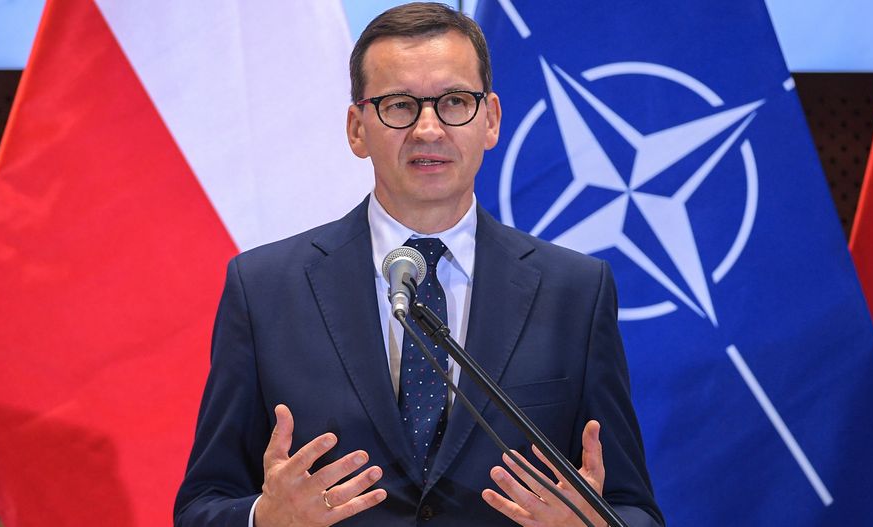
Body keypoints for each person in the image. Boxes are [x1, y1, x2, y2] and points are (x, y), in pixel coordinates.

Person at [174, 3, 663, 526]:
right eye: (399, 105)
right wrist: (263, 518)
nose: (428, 129)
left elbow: (634, 510)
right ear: (357, 129)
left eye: (454, 102)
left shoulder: (575, 292)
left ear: (491, 120)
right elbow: (202, 505)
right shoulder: (265, 290)